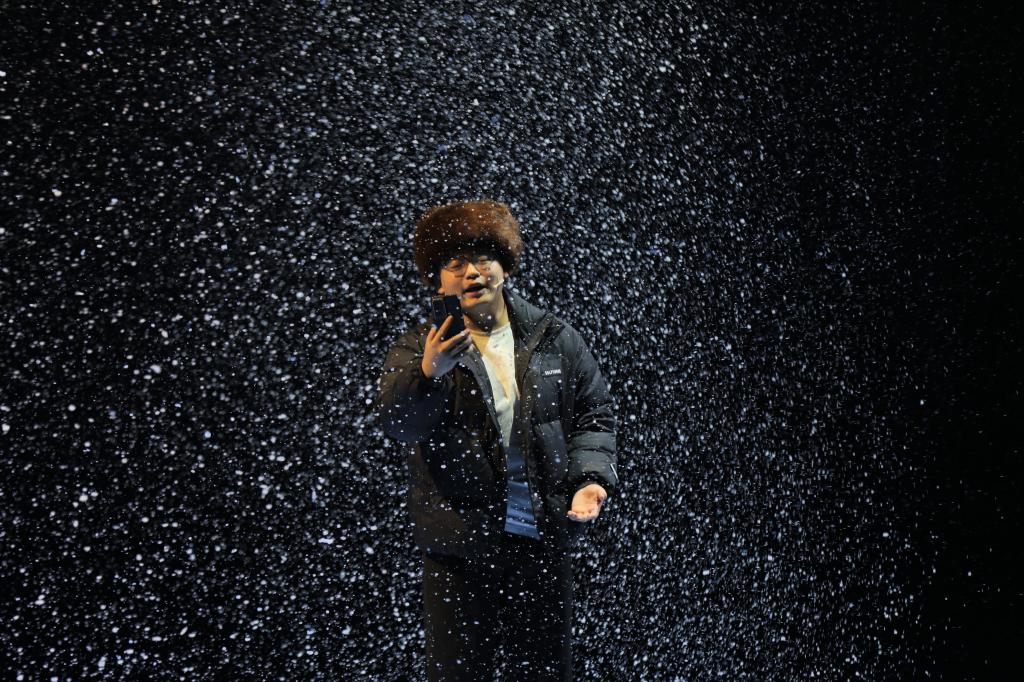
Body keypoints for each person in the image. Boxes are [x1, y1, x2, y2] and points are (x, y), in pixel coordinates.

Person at [376, 199, 618, 681]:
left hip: (540, 541)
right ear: (437, 280)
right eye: (455, 263)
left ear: (505, 267)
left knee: (545, 672)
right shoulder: (418, 346)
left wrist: (589, 479)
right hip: (459, 549)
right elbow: (401, 425)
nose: (472, 272)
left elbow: (594, 414)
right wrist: (429, 373)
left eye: (483, 258)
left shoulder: (554, 337)